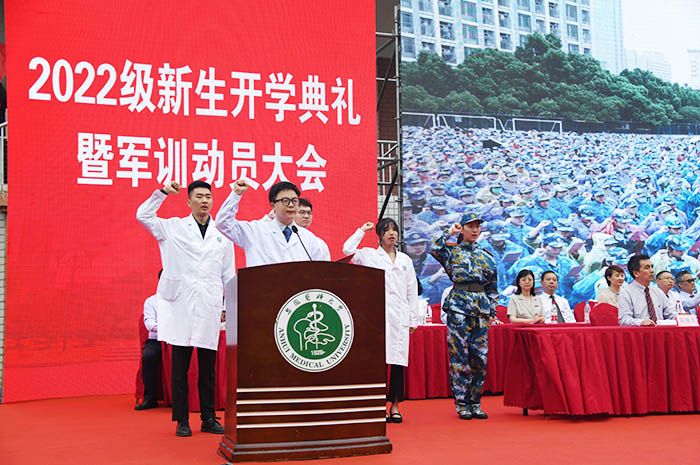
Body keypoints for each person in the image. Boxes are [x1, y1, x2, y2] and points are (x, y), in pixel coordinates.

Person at [136, 180, 235, 437]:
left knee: (208, 366)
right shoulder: (173, 227)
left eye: (208, 197)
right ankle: (182, 420)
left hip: (209, 304)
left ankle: (208, 417)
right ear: (189, 201)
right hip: (180, 303)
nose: (204, 201)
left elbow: (228, 274)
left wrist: (227, 304)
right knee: (180, 366)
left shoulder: (221, 234)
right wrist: (162, 193)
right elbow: (143, 215)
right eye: (199, 196)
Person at [342, 219, 420, 423]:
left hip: (400, 316)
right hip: (379, 315)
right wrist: (361, 230)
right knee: (379, 363)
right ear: (379, 235)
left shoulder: (405, 260)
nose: (391, 233)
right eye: (386, 230)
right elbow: (347, 250)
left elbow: (412, 290)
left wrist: (413, 318)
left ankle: (395, 405)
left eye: (394, 230)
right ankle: (378, 405)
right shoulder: (369, 255)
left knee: (398, 363)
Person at [430, 212, 500, 420]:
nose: (475, 230)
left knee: (480, 358)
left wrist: (492, 311)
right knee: (459, 358)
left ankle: (475, 402)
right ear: (463, 229)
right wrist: (450, 232)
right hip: (459, 309)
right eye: (470, 226)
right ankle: (462, 403)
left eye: (477, 226)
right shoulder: (453, 252)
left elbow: (492, 288)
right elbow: (434, 247)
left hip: (480, 311)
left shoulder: (487, 256)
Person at [216, 179, 330, 265]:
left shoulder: (308, 238)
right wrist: (236, 194)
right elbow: (223, 223)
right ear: (273, 205)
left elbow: (319, 272)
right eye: (285, 200)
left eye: (294, 201)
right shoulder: (255, 231)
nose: (291, 205)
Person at [618, 254, 677, 326]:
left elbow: (670, 313)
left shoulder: (658, 291)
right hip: (640, 331)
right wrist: (640, 322)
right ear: (636, 273)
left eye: (652, 267)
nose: (652, 270)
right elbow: (624, 320)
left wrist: (681, 318)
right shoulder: (626, 292)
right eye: (647, 268)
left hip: (660, 331)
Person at [135, 270, 163, 411]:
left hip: (178, 340)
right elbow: (150, 324)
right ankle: (150, 397)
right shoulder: (151, 301)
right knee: (148, 356)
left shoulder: (183, 300)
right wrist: (168, 328)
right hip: (157, 340)